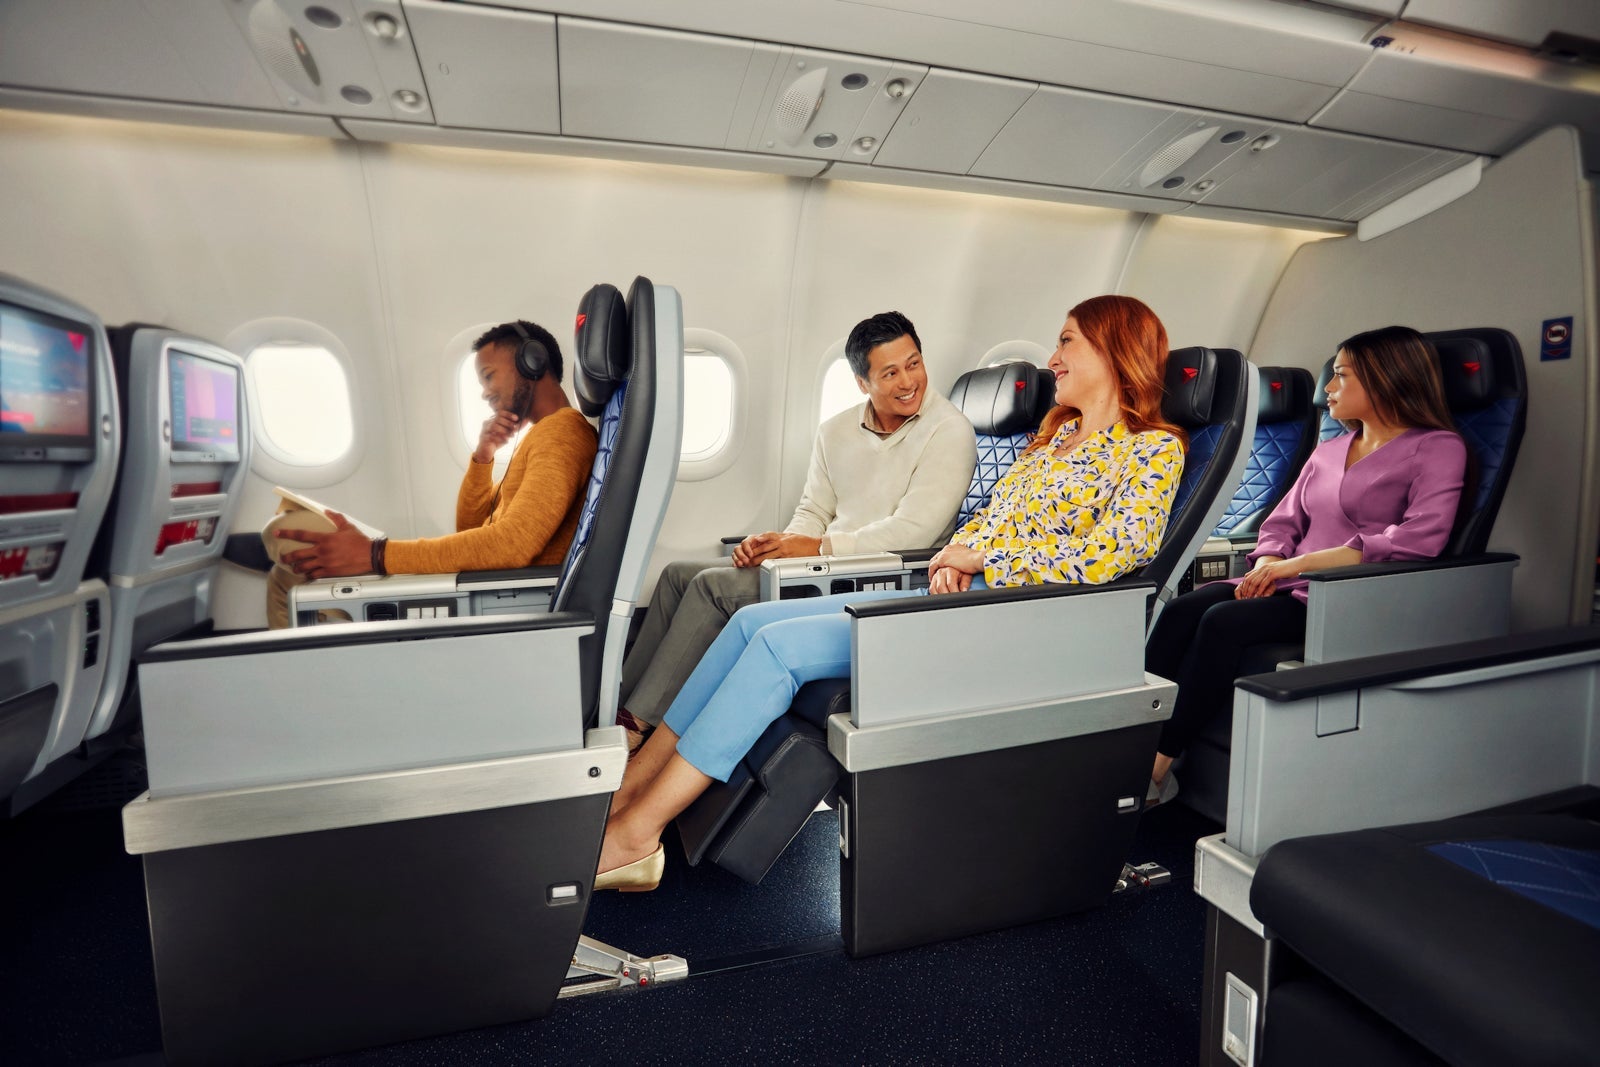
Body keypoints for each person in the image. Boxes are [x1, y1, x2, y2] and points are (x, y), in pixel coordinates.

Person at [594, 295, 1187, 891]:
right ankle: (629, 791)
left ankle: (638, 834)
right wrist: (956, 557)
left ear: (1114, 351)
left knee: (777, 650)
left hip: (1013, 622)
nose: (1052, 359)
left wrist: (984, 560)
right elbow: (987, 518)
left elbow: (1116, 554)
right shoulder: (1051, 441)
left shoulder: (1152, 449)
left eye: (1067, 342)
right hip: (955, 597)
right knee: (754, 625)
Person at [614, 311, 977, 749]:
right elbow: (813, 510)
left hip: (886, 573)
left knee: (713, 587)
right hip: (829, 562)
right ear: (863, 382)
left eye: (914, 363)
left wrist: (816, 547)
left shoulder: (949, 430)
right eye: (891, 372)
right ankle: (617, 710)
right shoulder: (835, 431)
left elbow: (914, 533)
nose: (908, 381)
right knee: (675, 574)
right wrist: (779, 545)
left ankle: (635, 728)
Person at [1142, 325, 1468, 806]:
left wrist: (1295, 566)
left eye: (1340, 376)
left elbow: (1419, 539)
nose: (1329, 389)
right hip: (1285, 579)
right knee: (1181, 610)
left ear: (1384, 378)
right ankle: (1126, 738)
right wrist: (1270, 560)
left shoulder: (1439, 448)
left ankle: (1158, 767)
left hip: (1346, 592)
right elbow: (1284, 519)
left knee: (1222, 622)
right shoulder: (1330, 448)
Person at [262, 320, 598, 628]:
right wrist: (483, 457)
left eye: (489, 375)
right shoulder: (542, 436)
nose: (484, 392)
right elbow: (471, 528)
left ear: (532, 362)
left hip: (502, 600)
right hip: (486, 585)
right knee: (291, 561)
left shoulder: (561, 434)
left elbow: (511, 545)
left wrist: (375, 555)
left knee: (286, 565)